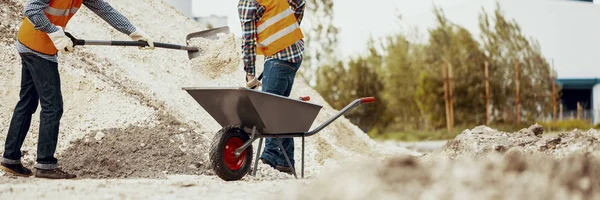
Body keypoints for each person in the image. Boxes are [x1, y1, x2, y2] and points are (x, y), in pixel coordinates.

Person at [0, 0, 154, 179]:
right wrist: (55, 32)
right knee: (53, 106)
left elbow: (104, 9)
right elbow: (32, 9)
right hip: (37, 47)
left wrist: (133, 32)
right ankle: (45, 164)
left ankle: (10, 159)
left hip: (33, 43)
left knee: (27, 102)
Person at [239, 0, 305, 174]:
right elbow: (300, 2)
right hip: (295, 52)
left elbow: (249, 42)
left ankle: (270, 156)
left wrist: (250, 75)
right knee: (277, 106)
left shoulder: (247, 3)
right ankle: (284, 160)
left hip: (279, 58)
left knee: (268, 108)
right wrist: (289, 31)